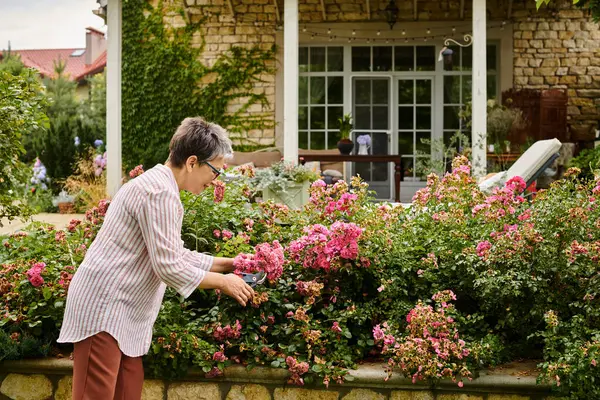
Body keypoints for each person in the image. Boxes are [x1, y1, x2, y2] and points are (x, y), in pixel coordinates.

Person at [58, 117, 255, 400]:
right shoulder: (159, 192)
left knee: (128, 390)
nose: (215, 180)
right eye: (215, 171)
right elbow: (169, 267)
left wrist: (227, 263)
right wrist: (224, 282)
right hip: (104, 309)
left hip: (123, 314)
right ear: (191, 162)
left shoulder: (161, 187)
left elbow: (172, 254)